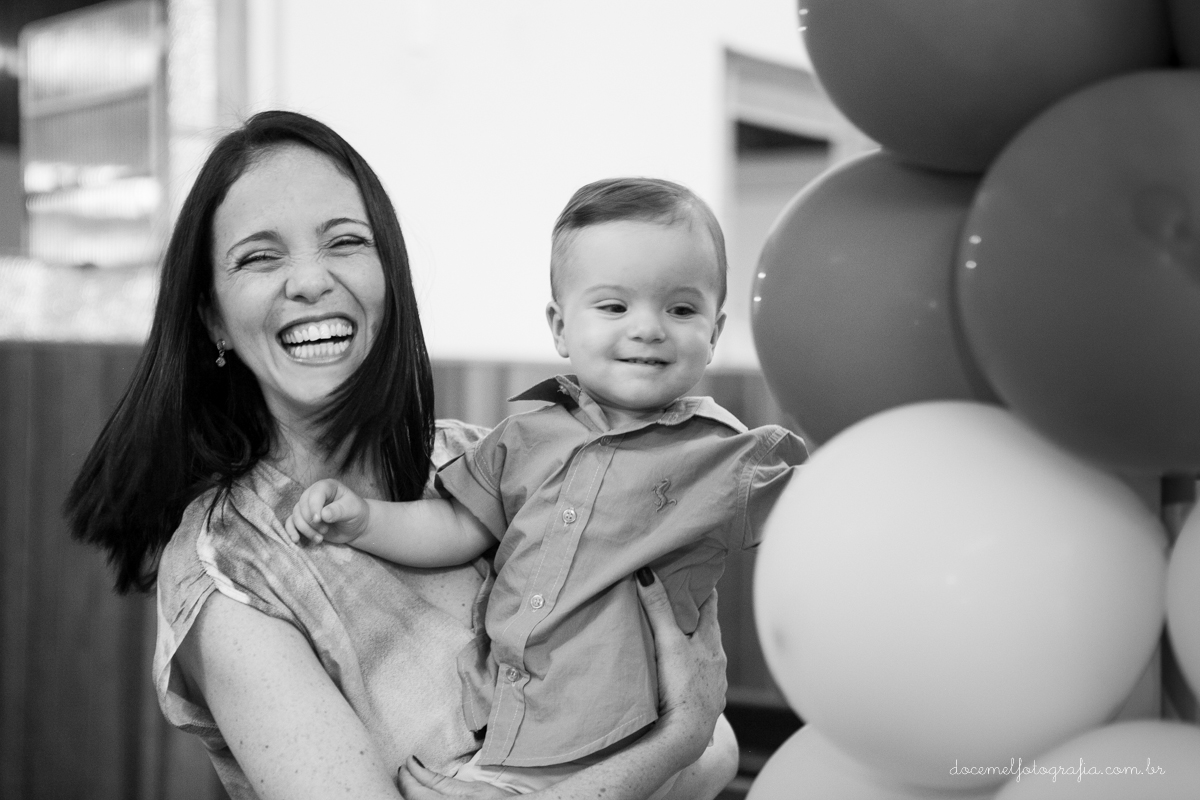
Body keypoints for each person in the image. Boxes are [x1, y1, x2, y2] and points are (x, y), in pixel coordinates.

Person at [65, 111, 738, 800]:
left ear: (389, 275)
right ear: (214, 318)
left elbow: (717, 746)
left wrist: (687, 737)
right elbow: (692, 730)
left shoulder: (489, 459)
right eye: (260, 257)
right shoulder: (232, 568)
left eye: (345, 241)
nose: (309, 281)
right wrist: (671, 745)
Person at [286, 178, 806, 795]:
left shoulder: (726, 457)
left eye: (681, 310)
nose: (649, 328)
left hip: (626, 737)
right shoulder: (523, 437)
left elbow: (827, 516)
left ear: (714, 333)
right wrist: (367, 520)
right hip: (507, 723)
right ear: (560, 327)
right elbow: (458, 526)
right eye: (614, 307)